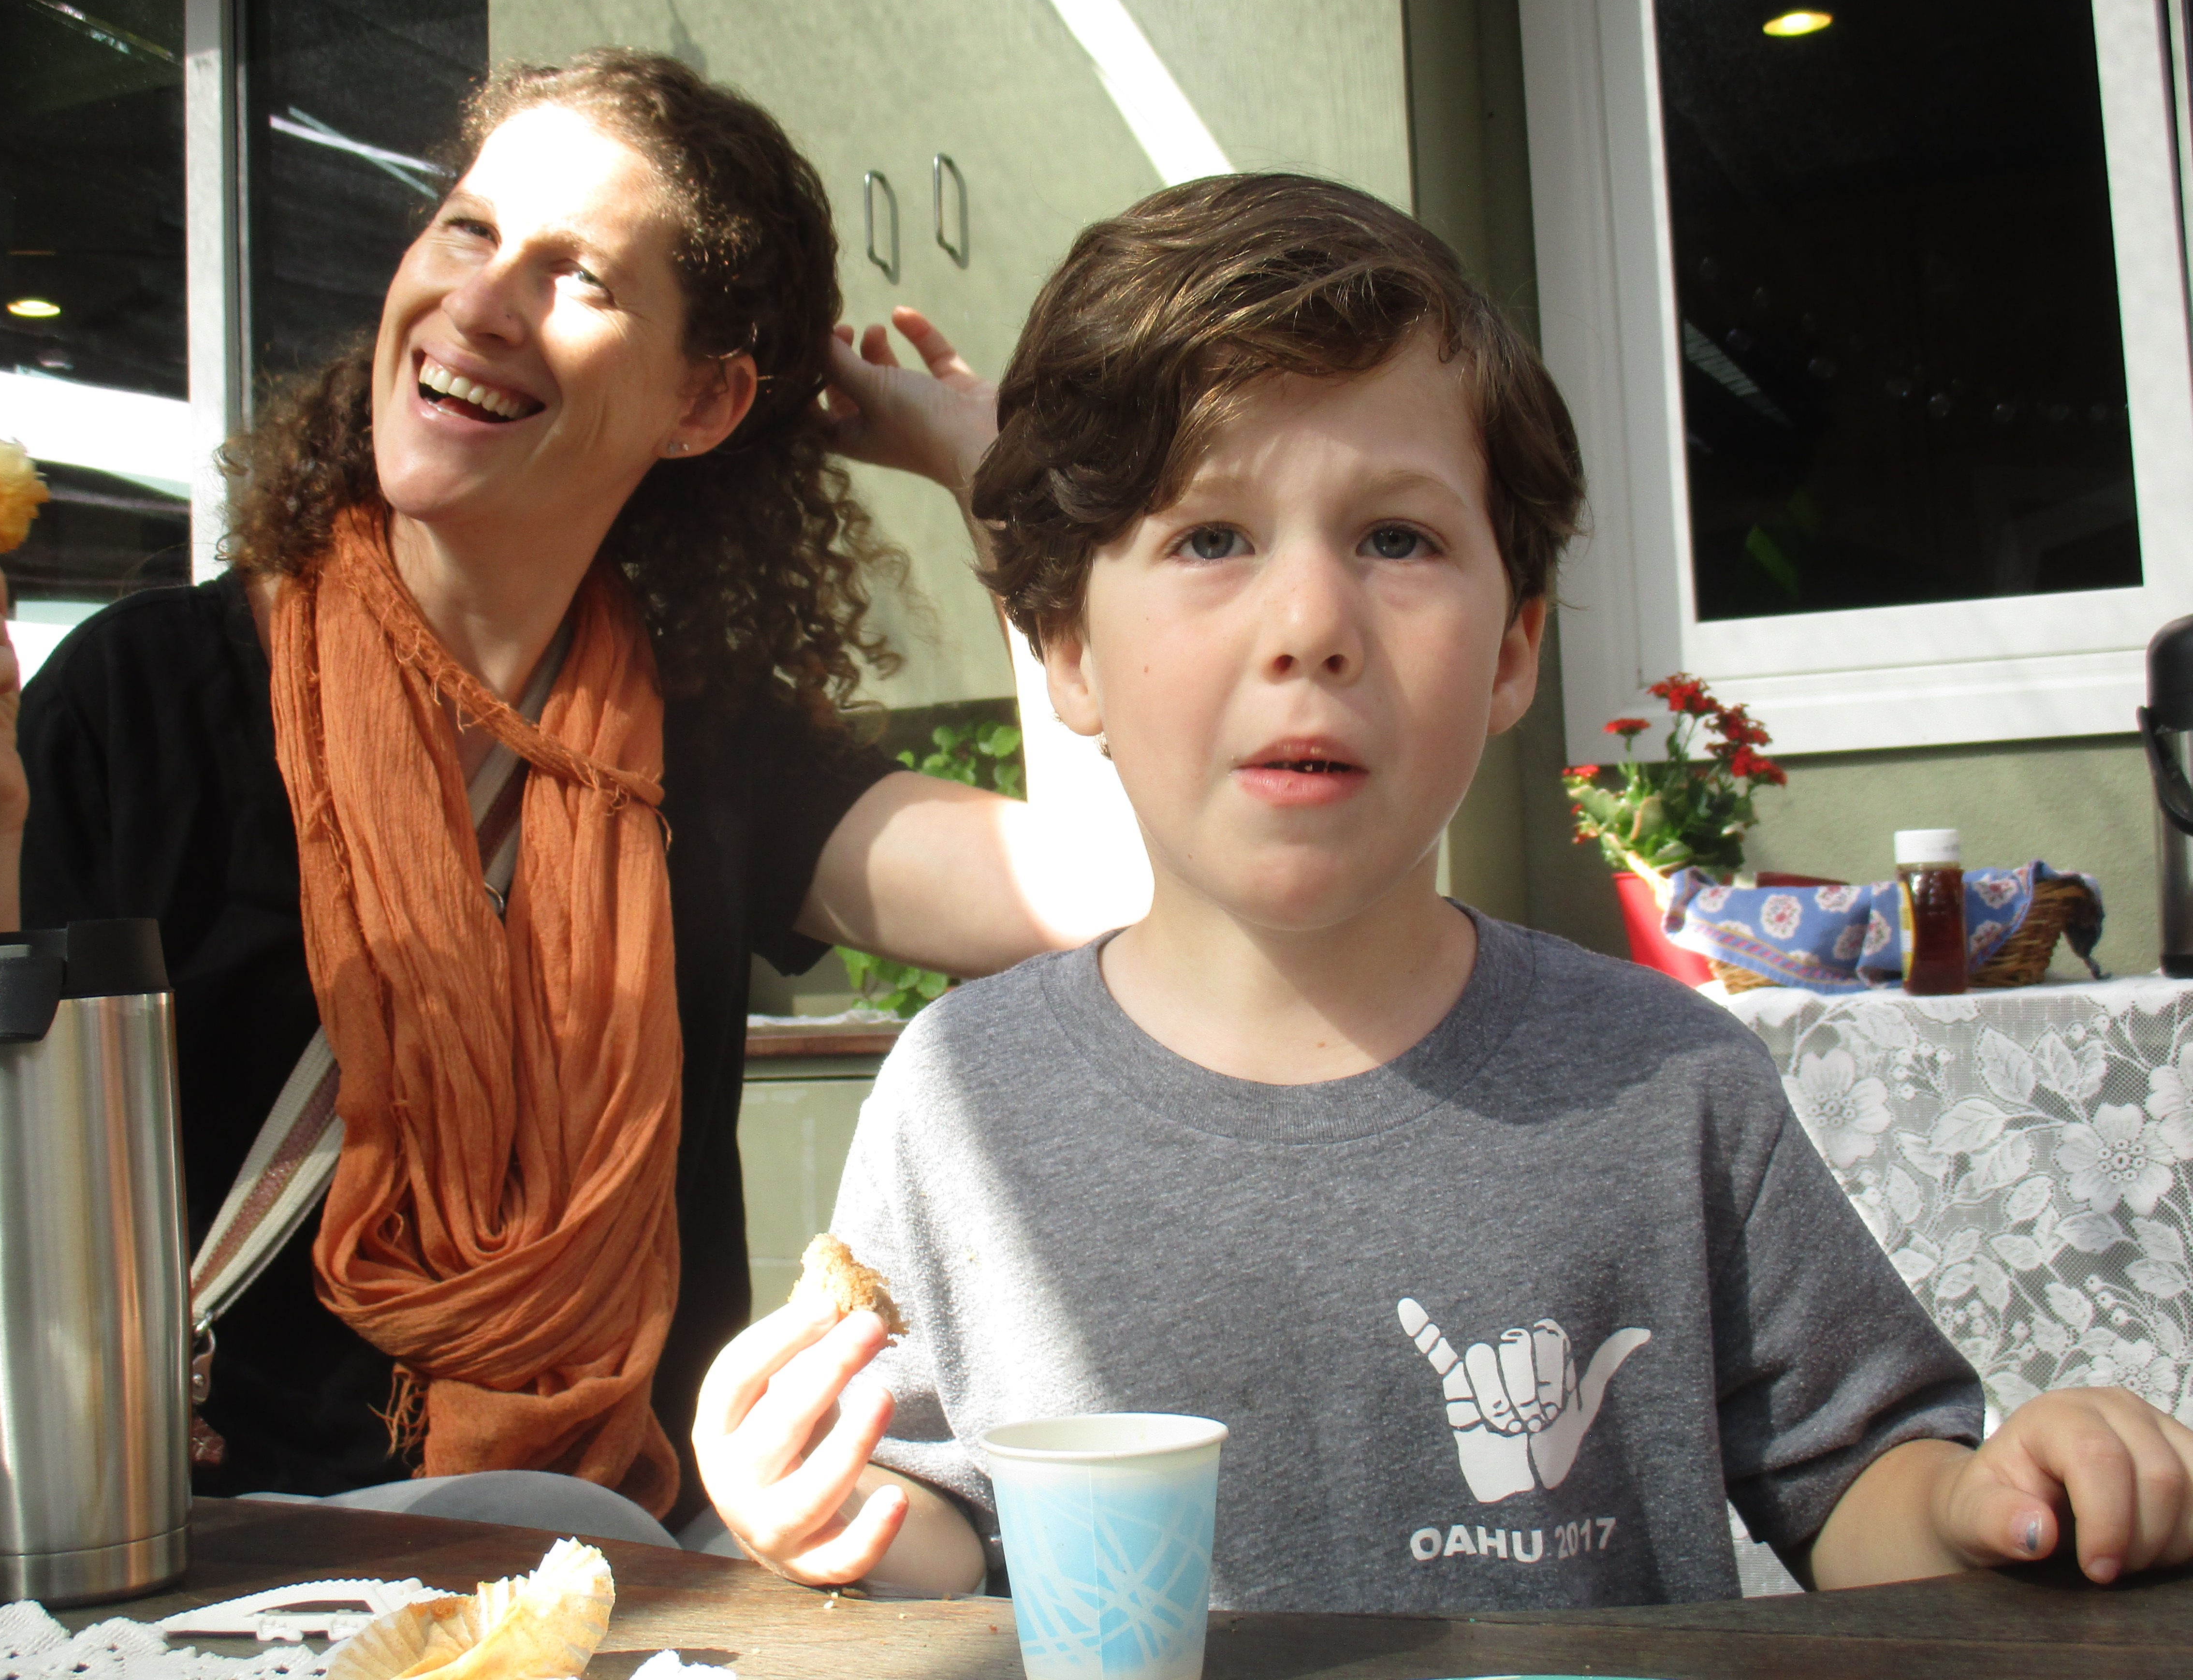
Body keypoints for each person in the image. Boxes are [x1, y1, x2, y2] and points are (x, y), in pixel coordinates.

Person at [691, 173, 2193, 1606]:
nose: (1311, 622)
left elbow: (1866, 1483)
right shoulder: (960, 1102)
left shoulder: (1672, 1088)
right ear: (1069, 650)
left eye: (1396, 539)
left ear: (1515, 650)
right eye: (1211, 538)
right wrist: (822, 1506)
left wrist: (1999, 1506)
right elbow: (944, 1531)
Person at [0, 49, 1131, 1521]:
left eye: (579, 276)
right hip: (203, 1581)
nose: (482, 301)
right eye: (467, 228)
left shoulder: (710, 754)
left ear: (702, 402)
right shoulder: (147, 702)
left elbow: (1107, 896)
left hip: (590, 1577)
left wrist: (994, 480)